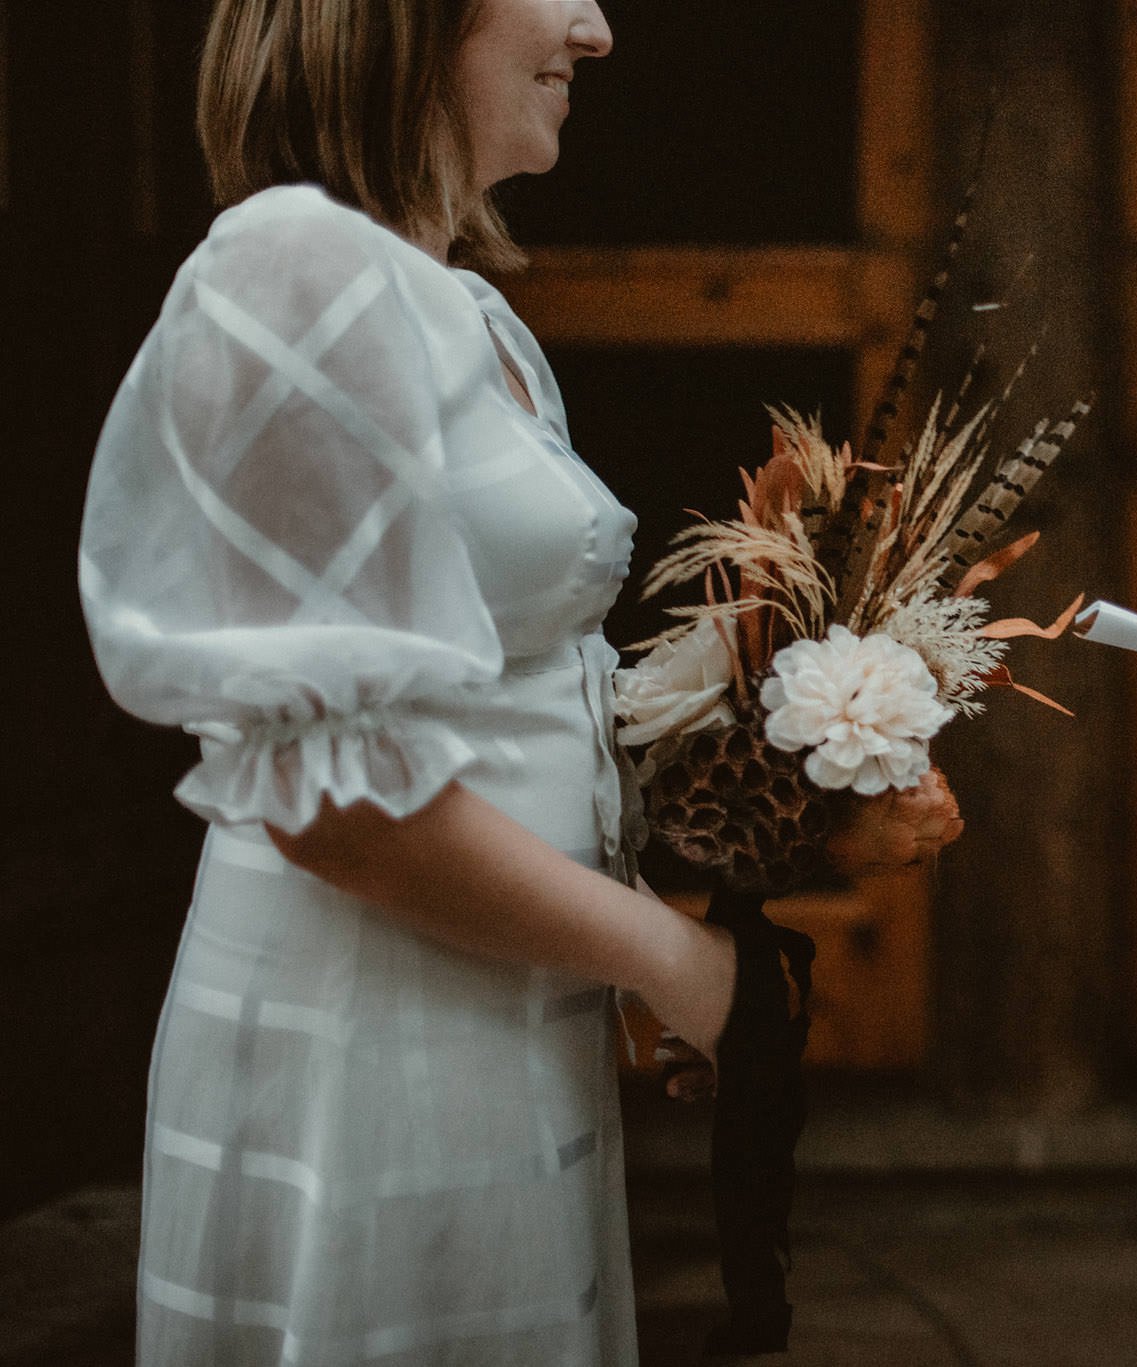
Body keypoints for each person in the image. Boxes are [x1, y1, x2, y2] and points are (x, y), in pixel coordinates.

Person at [78, 1, 955, 1361]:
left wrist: (804, 755)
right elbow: (337, 808)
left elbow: (500, 699)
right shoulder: (299, 269)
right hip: (369, 1041)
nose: (596, 31)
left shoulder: (462, 304)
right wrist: (676, 964)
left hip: (490, 1008)